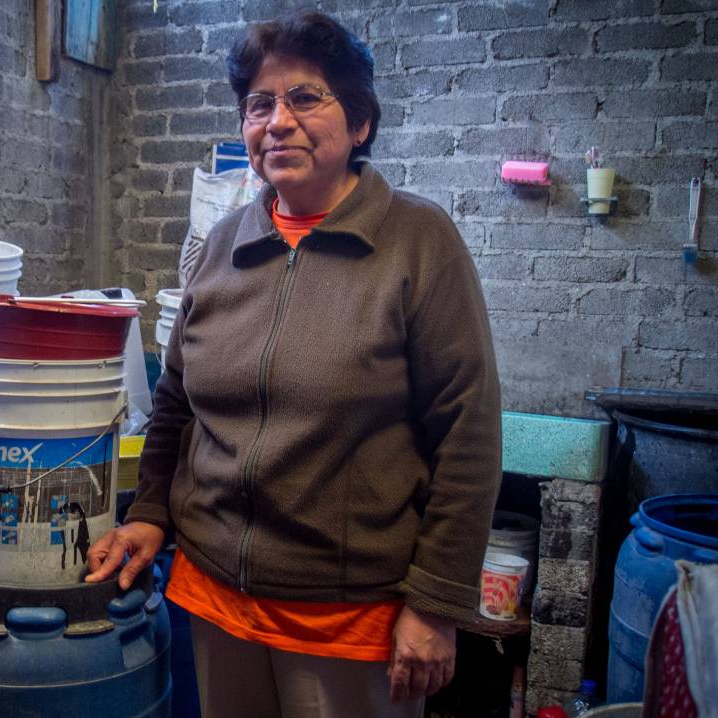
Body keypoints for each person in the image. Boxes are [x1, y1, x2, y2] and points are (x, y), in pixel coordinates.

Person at [86, 12, 501, 718]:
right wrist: (153, 511)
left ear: (361, 123)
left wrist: (435, 604)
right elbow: (177, 400)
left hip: (346, 623)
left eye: (306, 97)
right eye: (259, 104)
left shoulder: (416, 243)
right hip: (214, 599)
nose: (278, 121)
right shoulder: (223, 245)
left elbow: (468, 434)